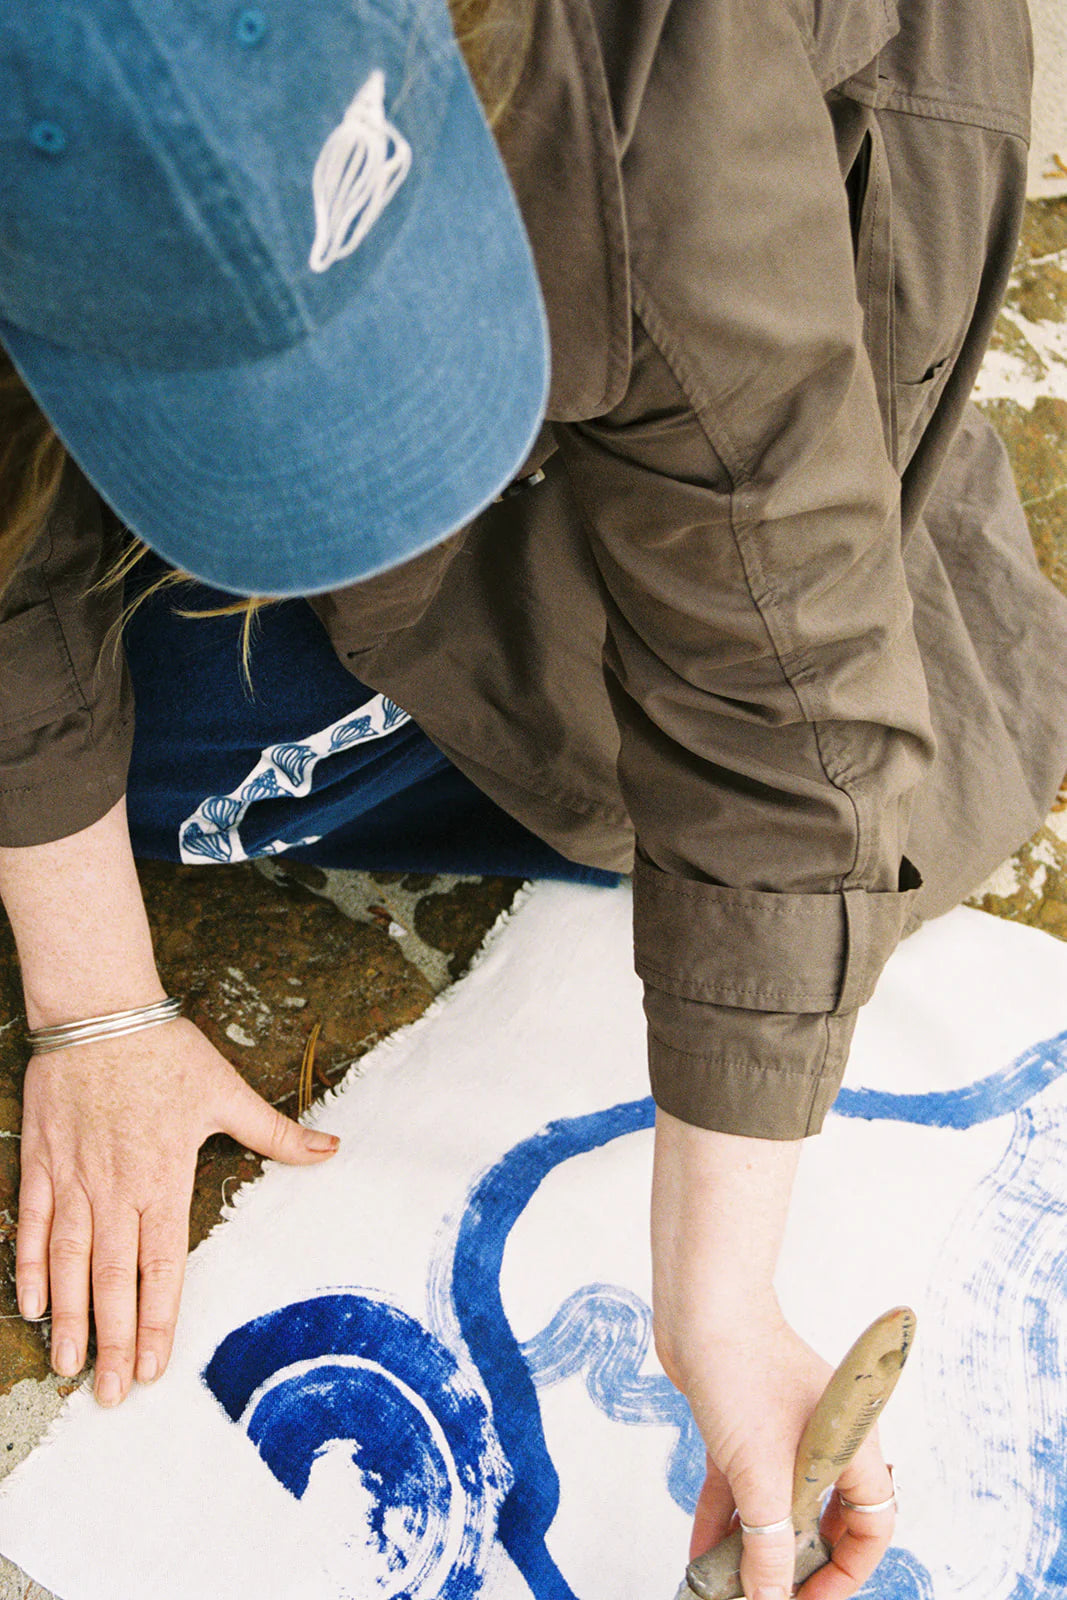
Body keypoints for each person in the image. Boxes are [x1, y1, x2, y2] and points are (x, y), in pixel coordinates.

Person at [1, 1, 1065, 1597]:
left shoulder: (651, 67)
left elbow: (775, 675)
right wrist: (95, 1005)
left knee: (724, 795)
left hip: (674, 224)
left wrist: (715, 1292)